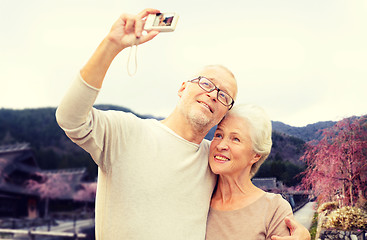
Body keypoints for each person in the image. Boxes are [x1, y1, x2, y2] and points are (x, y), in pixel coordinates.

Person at [55, 8, 310, 240]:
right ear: (182, 88)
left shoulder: (212, 161)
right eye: (206, 83)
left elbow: (245, 197)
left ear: (223, 114)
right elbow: (70, 117)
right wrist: (111, 45)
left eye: (224, 96)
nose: (212, 94)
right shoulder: (126, 132)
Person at [206, 104, 296, 239]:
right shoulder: (198, 199)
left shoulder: (274, 209)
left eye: (235, 139)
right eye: (218, 135)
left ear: (255, 155)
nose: (221, 145)